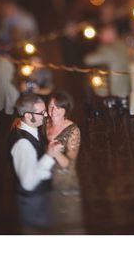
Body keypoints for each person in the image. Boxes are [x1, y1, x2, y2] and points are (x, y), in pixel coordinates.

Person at [8, 93, 60, 233]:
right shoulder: (23, 144)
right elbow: (28, 183)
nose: (45, 115)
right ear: (27, 115)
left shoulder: (29, 129)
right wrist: (49, 156)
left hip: (41, 195)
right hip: (34, 201)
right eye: (41, 113)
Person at [43, 90, 84, 234]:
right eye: (50, 107)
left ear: (66, 110)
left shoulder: (73, 130)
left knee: (70, 223)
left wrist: (54, 152)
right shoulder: (45, 121)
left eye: (58, 108)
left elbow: (68, 163)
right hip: (44, 177)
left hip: (64, 180)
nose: (53, 111)